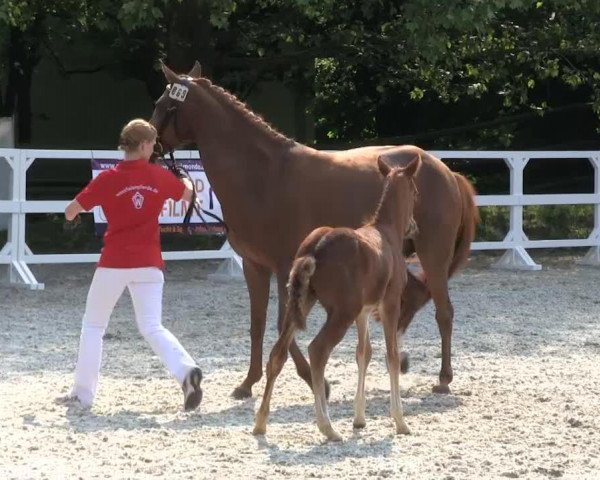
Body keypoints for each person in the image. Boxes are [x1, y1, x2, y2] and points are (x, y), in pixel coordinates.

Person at [60, 118, 203, 411]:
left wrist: (76, 215)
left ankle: (83, 394)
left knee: (93, 325)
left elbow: (71, 210)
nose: (154, 149)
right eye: (152, 144)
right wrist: (186, 179)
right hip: (149, 262)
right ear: (142, 145)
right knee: (152, 326)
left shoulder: (108, 178)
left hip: (114, 261)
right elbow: (188, 194)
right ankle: (186, 372)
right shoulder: (157, 176)